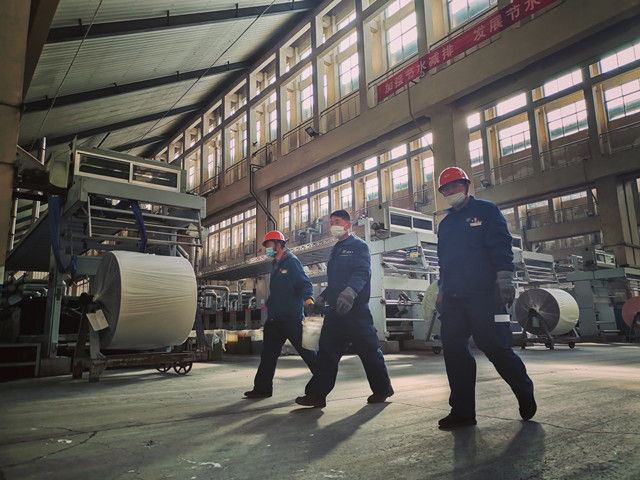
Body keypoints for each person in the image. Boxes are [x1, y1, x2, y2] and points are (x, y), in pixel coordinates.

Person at [435, 166, 536, 428]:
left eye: (455, 186)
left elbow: (501, 245)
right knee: (454, 350)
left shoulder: (486, 211)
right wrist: (441, 290)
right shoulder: (445, 225)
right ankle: (463, 412)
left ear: (466, 185)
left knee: (494, 346)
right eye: (446, 188)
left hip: (485, 294)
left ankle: (524, 390)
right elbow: (443, 262)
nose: (450, 191)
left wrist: (505, 279)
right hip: (454, 297)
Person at [295, 210, 394, 408]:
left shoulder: (359, 246)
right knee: (327, 351)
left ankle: (382, 389)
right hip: (336, 312)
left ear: (348, 225)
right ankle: (317, 394)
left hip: (356, 312)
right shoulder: (336, 249)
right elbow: (334, 283)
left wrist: (350, 292)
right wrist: (323, 297)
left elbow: (362, 272)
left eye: (338, 221)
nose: (334, 226)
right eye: (331, 222)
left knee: (369, 351)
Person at [244, 231, 319, 398]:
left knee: (308, 353)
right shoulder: (275, 265)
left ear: (279, 244)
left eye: (269, 245)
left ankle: (322, 383)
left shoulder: (292, 262)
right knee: (268, 355)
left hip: (291, 318)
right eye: (266, 246)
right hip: (274, 319)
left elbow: (304, 284)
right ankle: (262, 388)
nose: (267, 249)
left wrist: (308, 300)